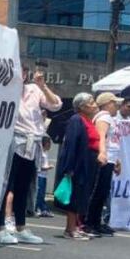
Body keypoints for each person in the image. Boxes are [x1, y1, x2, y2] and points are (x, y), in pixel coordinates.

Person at [0, 67, 63, 245]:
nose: (20, 75)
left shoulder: (33, 89)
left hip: (32, 142)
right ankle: (0, 228)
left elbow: (56, 105)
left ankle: (21, 227)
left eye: (23, 72)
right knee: (5, 184)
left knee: (24, 187)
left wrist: (43, 86)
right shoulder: (3, 89)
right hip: (13, 139)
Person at [55, 92, 100, 241]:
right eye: (91, 102)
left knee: (82, 196)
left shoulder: (89, 120)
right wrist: (69, 168)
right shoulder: (76, 120)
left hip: (88, 163)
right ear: (82, 107)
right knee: (74, 196)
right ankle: (69, 229)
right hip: (78, 165)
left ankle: (76, 227)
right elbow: (71, 145)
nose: (94, 105)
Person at [83, 92, 121, 237]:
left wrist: (116, 159)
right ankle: (89, 222)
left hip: (110, 158)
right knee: (98, 191)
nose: (116, 105)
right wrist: (102, 153)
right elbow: (101, 138)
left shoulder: (109, 118)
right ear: (106, 104)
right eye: (113, 102)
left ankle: (96, 222)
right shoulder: (103, 117)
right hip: (103, 158)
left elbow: (112, 141)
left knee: (103, 192)